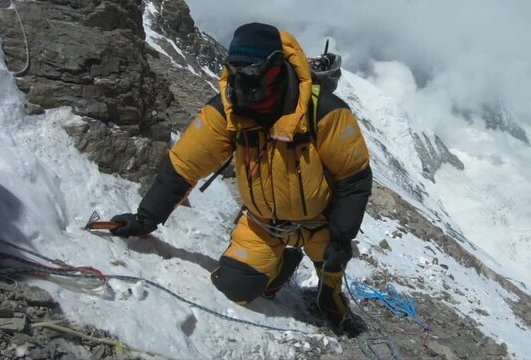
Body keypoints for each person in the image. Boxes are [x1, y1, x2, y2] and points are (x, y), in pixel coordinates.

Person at [109, 22, 372, 334]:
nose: (246, 86)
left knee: (331, 270)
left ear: (277, 66)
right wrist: (145, 218)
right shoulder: (229, 111)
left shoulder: (324, 113)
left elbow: (353, 179)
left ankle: (330, 298)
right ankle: (280, 265)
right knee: (235, 287)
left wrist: (341, 239)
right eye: (238, 74)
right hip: (264, 225)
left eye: (253, 74)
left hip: (321, 225)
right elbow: (184, 166)